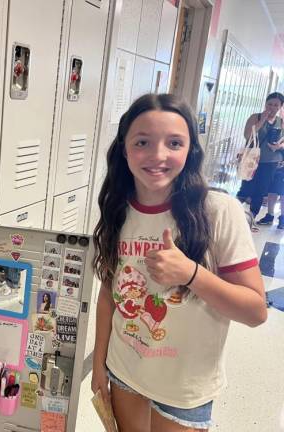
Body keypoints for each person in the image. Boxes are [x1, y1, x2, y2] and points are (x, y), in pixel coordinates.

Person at [91, 94, 266, 431]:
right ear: (125, 149)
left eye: (174, 143)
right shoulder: (118, 209)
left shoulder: (218, 211)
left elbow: (256, 311)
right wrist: (99, 364)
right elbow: (108, 293)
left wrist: (191, 274)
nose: (158, 155)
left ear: (190, 150)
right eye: (143, 142)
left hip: (184, 388)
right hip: (125, 370)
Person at [236, 92, 284, 219]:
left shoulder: (281, 121)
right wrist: (262, 120)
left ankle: (252, 216)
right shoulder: (255, 117)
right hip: (252, 159)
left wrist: (279, 146)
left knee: (261, 190)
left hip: (271, 161)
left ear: (280, 107)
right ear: (265, 104)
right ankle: (233, 212)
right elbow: (247, 136)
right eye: (269, 104)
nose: (272, 108)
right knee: (246, 188)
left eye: (276, 105)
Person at [256, 160, 284, 229]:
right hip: (275, 164)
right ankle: (269, 216)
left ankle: (282, 219)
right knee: (272, 190)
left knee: (283, 193)